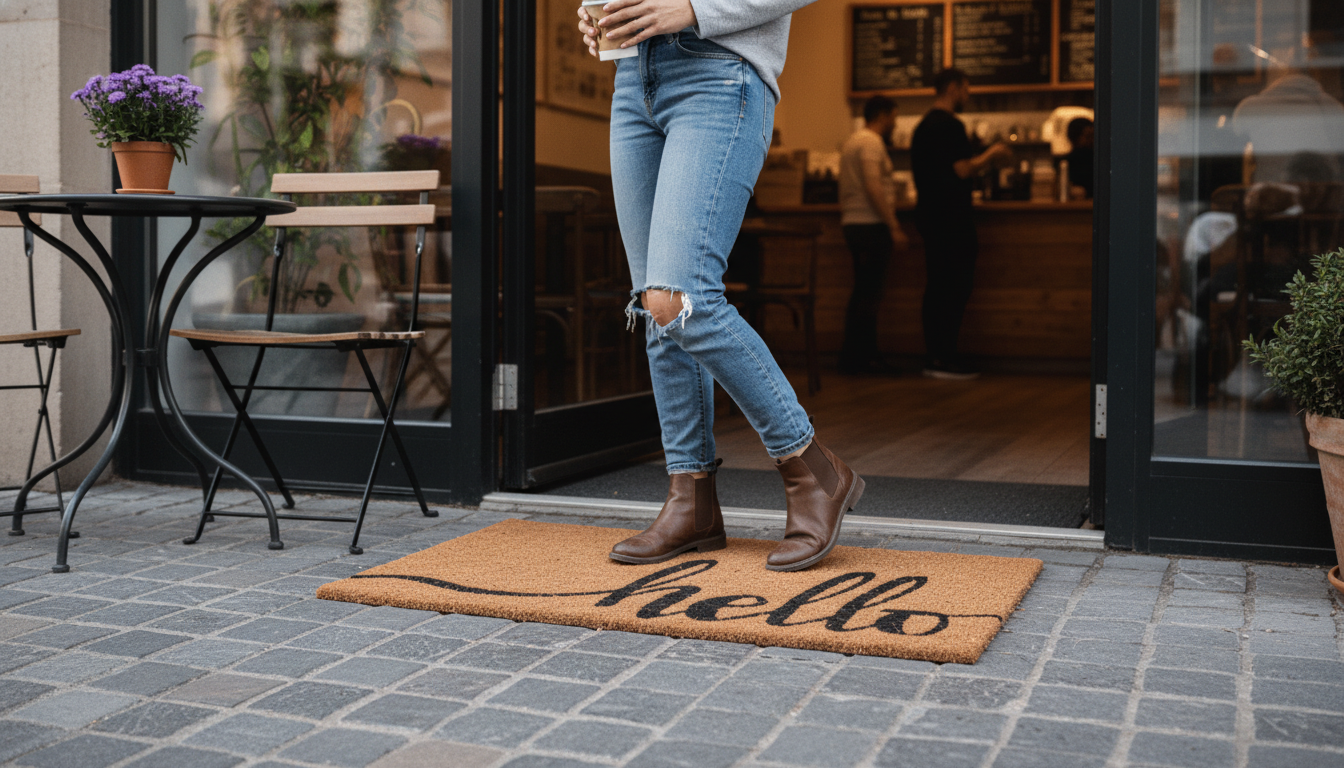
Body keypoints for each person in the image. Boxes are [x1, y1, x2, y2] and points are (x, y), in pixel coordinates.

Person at [578, 0, 864, 572]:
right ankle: (692, 502)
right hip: (634, 77)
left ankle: (812, 467)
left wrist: (692, 7)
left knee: (680, 297)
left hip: (719, 73)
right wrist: (596, 16)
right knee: (657, 308)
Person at [910, 68, 1011, 380]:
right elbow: (963, 170)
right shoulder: (950, 125)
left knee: (939, 284)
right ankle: (943, 358)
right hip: (951, 217)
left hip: (930, 215)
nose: (968, 95)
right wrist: (993, 154)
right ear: (952, 88)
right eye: (966, 89)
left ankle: (937, 355)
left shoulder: (923, 126)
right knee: (953, 285)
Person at [837, 95, 909, 374]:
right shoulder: (870, 142)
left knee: (862, 292)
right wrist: (893, 225)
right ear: (881, 115)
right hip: (869, 224)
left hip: (853, 223)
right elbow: (873, 186)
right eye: (894, 116)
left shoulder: (853, 141)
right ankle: (864, 359)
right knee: (869, 294)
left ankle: (854, 357)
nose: (895, 123)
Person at [1065, 117, 1095, 199]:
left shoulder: (1098, 159)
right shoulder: (1068, 161)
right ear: (1075, 137)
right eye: (1088, 136)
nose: (1092, 140)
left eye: (1093, 136)